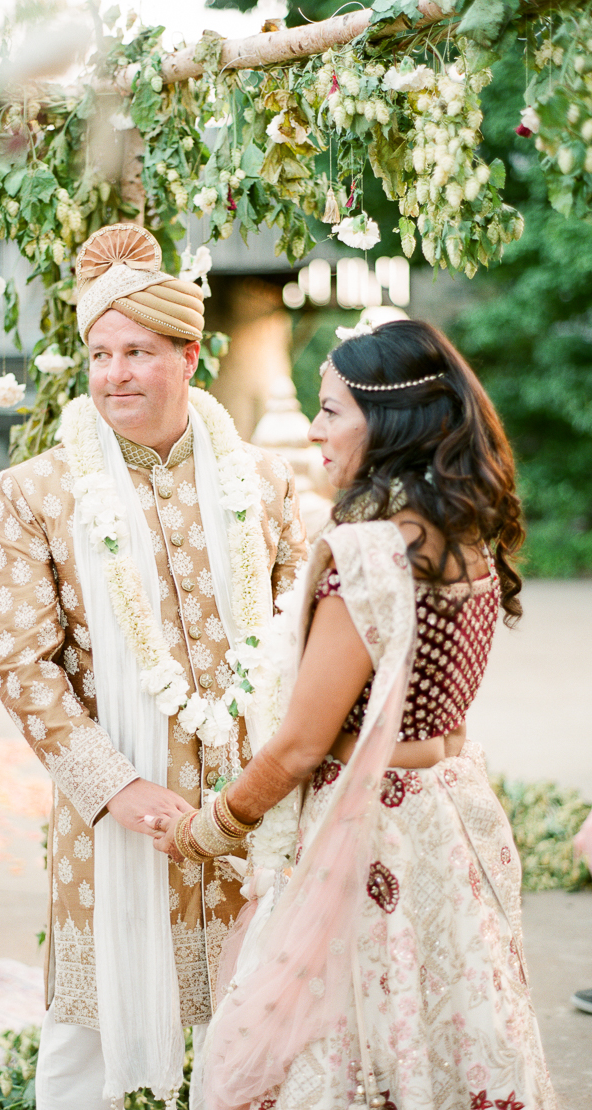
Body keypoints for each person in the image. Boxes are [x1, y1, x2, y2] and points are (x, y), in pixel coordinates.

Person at [152, 319, 558, 1110]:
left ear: (390, 420)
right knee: (445, 1038)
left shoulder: (373, 551)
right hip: (447, 821)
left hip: (369, 834)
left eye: (332, 410)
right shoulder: (464, 532)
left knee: (344, 1053)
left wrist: (208, 829)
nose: (315, 429)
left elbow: (303, 745)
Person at [0, 223, 308, 1110]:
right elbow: (23, 667)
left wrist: (276, 778)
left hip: (253, 804)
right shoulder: (37, 494)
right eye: (100, 354)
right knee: (87, 1044)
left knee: (268, 1018)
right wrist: (115, 788)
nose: (115, 374)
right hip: (118, 816)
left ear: (189, 357)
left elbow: (302, 640)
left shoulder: (265, 484)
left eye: (137, 353)